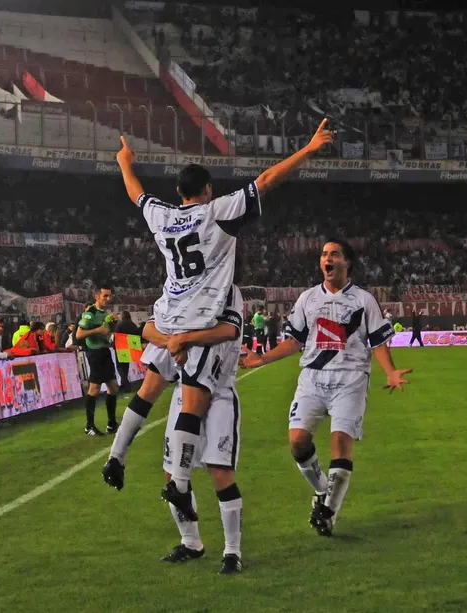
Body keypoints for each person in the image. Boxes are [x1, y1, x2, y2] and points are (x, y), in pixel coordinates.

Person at [113, 119, 333, 520]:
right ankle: (179, 486)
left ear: (179, 192)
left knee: (154, 388)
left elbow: (137, 195)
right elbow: (265, 181)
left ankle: (121, 457)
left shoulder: (161, 215)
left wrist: (125, 163)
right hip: (202, 320)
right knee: (192, 401)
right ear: (207, 190)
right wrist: (308, 150)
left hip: (168, 315)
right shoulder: (217, 213)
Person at [241, 239, 411, 537]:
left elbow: (378, 341)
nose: (327, 258)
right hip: (313, 378)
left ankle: (328, 512)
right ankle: (323, 491)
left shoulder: (363, 300)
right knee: (297, 441)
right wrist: (263, 358)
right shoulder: (307, 299)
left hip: (351, 378)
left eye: (334, 254)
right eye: (323, 254)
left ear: (348, 263)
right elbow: (294, 341)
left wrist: (391, 371)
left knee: (340, 445)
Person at [141, 305, 245, 575]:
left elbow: (228, 330)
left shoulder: (227, 292)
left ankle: (233, 551)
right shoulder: (184, 291)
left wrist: (183, 339)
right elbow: (149, 328)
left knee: (220, 472)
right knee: (172, 473)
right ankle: (191, 542)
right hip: (183, 391)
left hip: (219, 393)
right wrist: (169, 340)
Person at [76, 285, 121, 436]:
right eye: (105, 296)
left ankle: (111, 424)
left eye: (109, 296)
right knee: (94, 389)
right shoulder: (90, 313)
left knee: (114, 387)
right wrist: (98, 330)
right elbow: (79, 335)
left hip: (104, 351)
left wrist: (112, 325)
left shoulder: (104, 313)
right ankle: (89, 426)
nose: (108, 299)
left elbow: (106, 332)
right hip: (95, 353)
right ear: (97, 296)